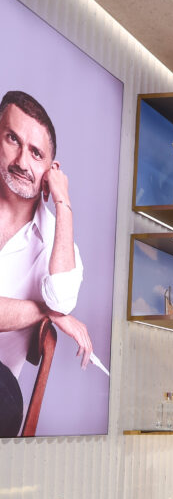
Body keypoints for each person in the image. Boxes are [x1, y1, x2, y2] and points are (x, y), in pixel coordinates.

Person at [0, 90, 90, 436]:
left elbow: (63, 298)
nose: (23, 162)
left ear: (51, 170)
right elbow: (55, 306)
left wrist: (63, 200)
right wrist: (44, 310)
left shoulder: (55, 238)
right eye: (13, 139)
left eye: (36, 153)